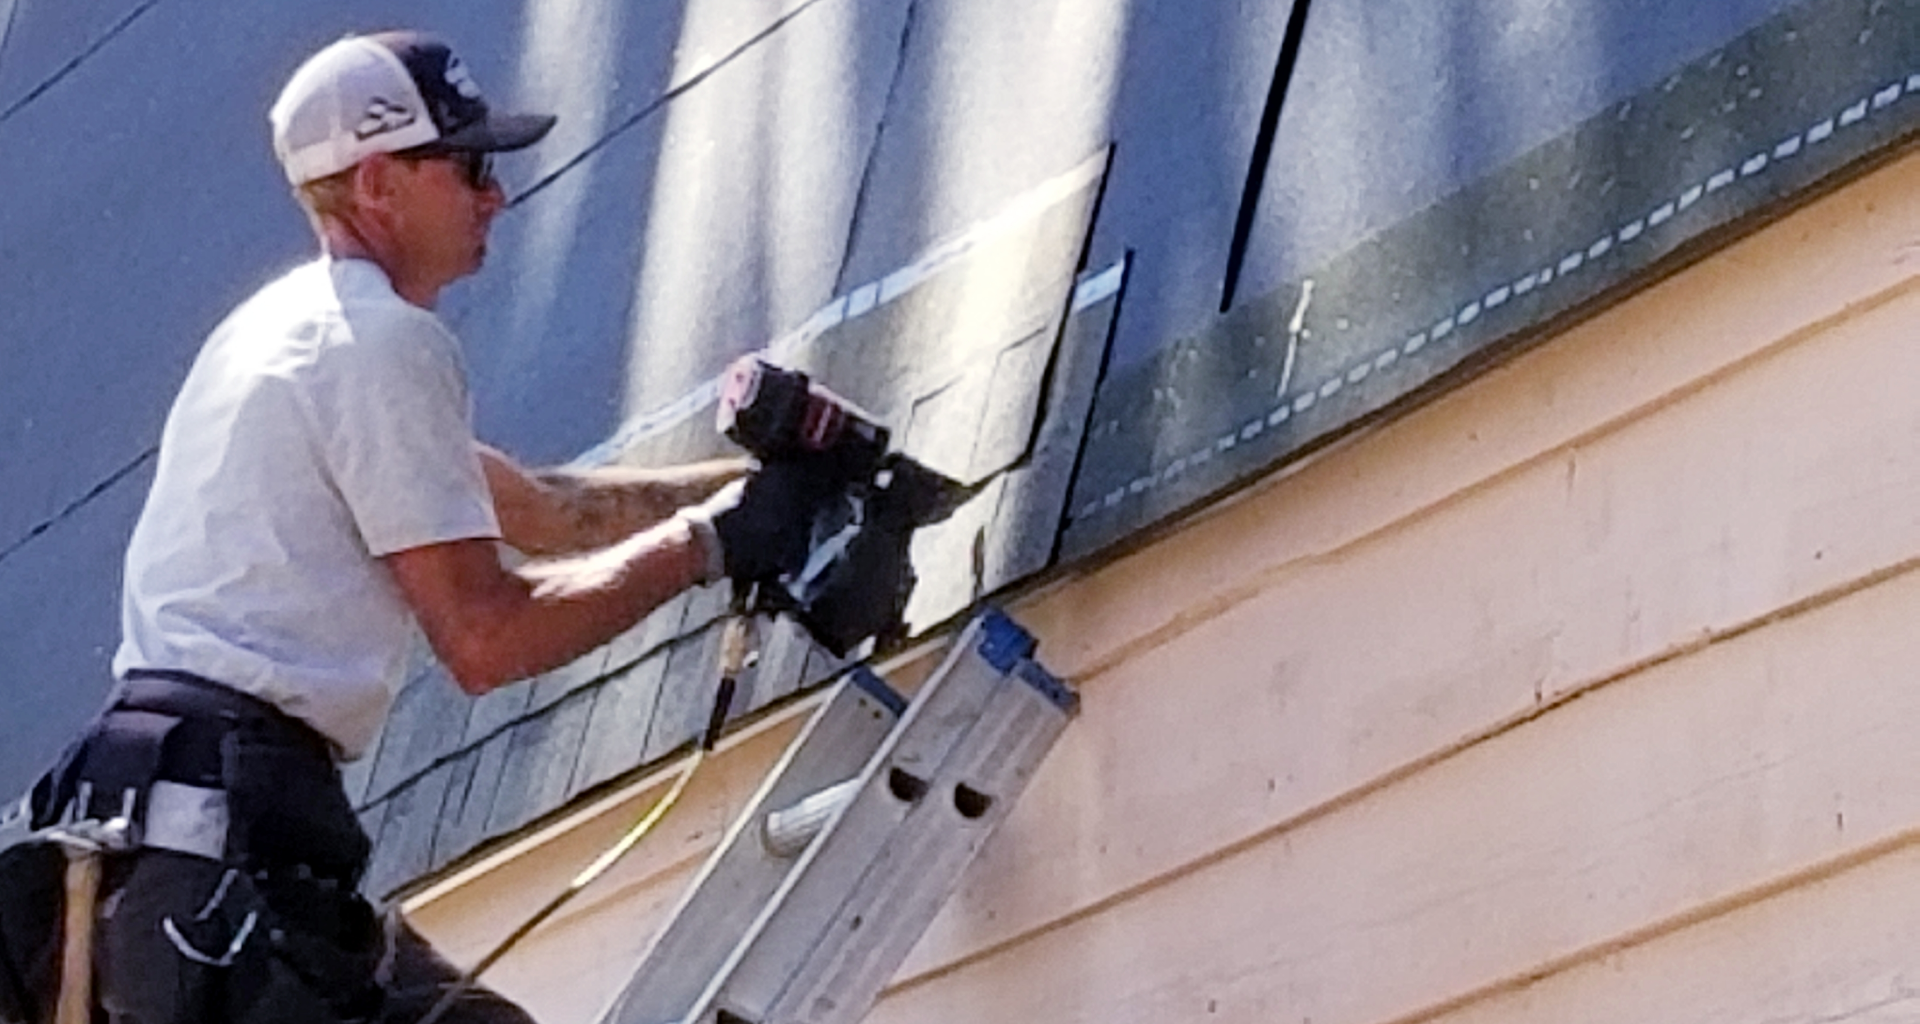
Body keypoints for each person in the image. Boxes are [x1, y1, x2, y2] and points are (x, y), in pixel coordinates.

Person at [8, 29, 826, 1024]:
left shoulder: (282, 335)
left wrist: (760, 481)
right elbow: (485, 637)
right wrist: (709, 548)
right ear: (378, 184)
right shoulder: (380, 344)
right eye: (470, 164)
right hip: (227, 860)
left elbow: (548, 512)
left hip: (176, 860)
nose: (497, 195)